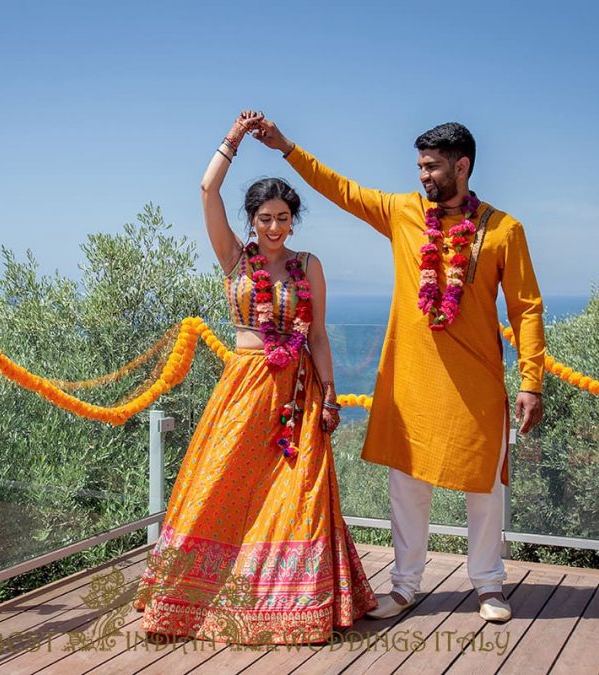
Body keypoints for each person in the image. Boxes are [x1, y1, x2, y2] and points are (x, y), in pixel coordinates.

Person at [252, 117, 546, 623]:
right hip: (411, 382)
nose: (423, 176)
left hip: (476, 385)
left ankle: (489, 585)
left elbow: (527, 308)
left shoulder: (504, 230)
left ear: (463, 165)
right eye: (419, 166)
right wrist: (285, 148)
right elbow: (340, 189)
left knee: (484, 487)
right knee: (407, 488)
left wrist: (532, 382)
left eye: (431, 167)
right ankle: (405, 586)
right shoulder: (402, 212)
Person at [132, 111, 377, 644]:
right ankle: (192, 592)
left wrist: (330, 396)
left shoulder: (309, 265)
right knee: (217, 484)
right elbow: (206, 188)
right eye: (265, 217)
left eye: (283, 217)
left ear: (294, 220)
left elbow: (317, 337)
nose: (274, 226)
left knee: (298, 494)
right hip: (244, 389)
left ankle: (294, 603)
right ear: (251, 220)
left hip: (297, 393)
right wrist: (234, 139)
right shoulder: (234, 261)